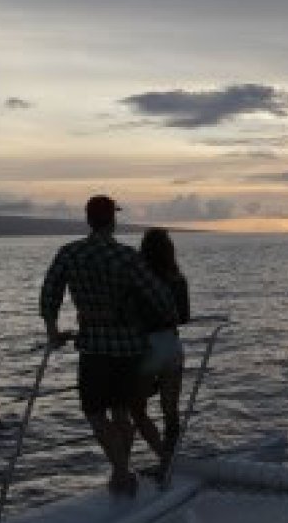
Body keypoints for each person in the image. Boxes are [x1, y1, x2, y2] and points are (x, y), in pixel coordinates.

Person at [39, 195, 178, 495]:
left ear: (89, 220)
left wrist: (53, 331)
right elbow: (162, 300)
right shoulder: (127, 257)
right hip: (129, 350)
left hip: (93, 348)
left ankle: (121, 474)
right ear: (112, 221)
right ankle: (122, 473)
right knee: (122, 412)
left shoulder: (69, 254)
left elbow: (50, 294)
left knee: (94, 413)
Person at [134, 227, 191, 477]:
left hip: (145, 349)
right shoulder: (178, 279)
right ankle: (170, 461)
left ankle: (161, 458)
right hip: (171, 346)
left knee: (137, 410)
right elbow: (185, 317)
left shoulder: (139, 280)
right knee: (171, 411)